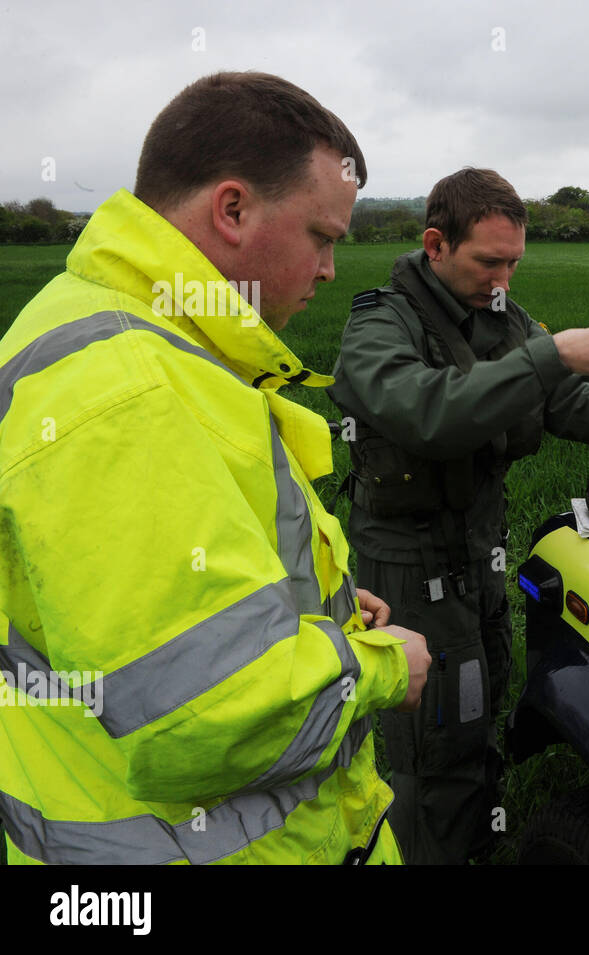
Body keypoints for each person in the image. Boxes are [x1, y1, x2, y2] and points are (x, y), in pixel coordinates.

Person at [0, 71, 431, 865]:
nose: (331, 269)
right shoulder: (122, 387)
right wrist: (376, 666)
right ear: (232, 209)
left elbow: (156, 601)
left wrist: (313, 612)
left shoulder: (155, 339)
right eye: (323, 237)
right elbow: (203, 708)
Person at [328, 167, 589, 864]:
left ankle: (473, 842)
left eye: (514, 263)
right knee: (428, 746)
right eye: (488, 261)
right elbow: (428, 413)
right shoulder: (380, 322)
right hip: (407, 573)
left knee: (479, 708)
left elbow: (570, 409)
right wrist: (552, 354)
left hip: (479, 558)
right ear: (435, 244)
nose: (503, 279)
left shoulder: (505, 318)